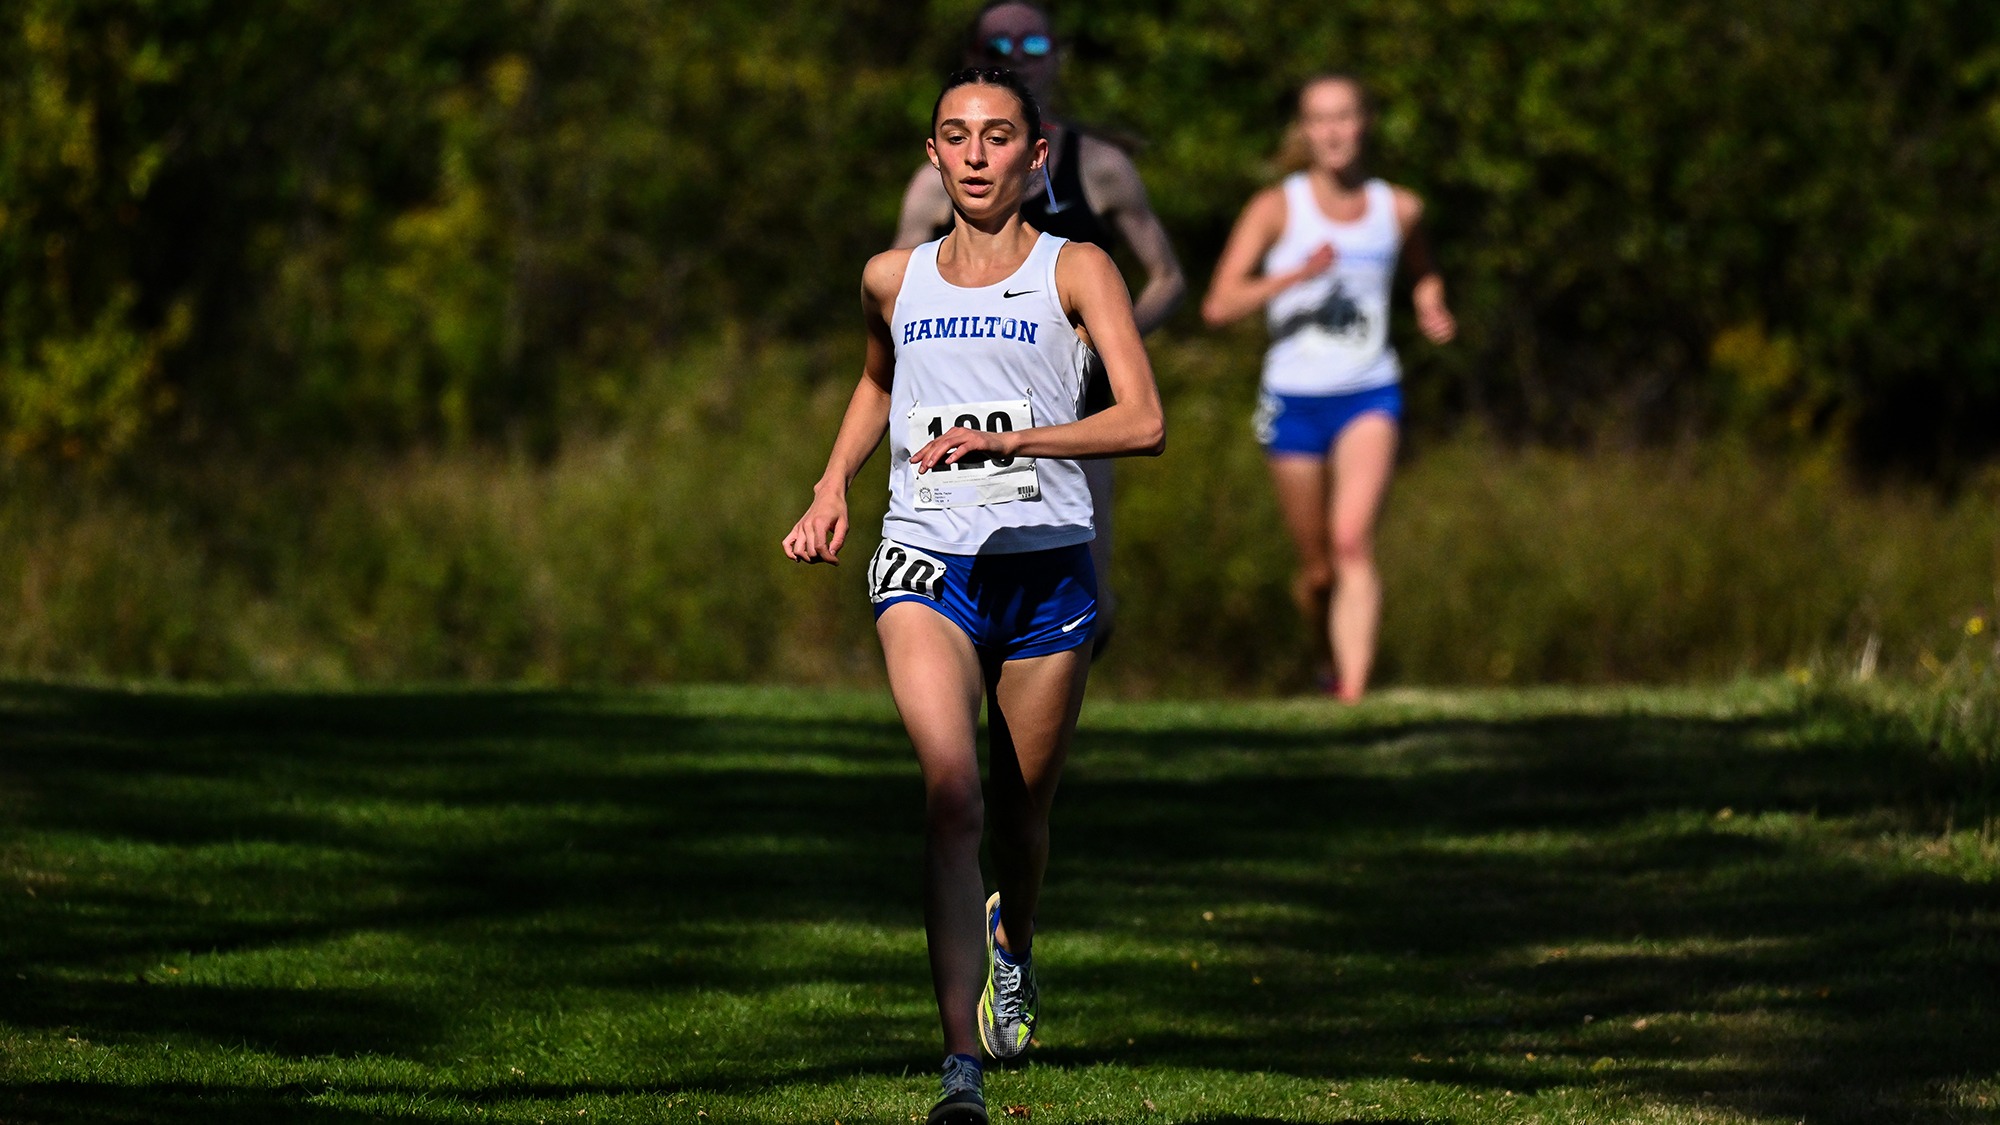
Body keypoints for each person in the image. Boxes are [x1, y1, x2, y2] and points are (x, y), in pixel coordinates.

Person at [784, 68, 1165, 1125]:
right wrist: (831, 487)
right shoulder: (892, 278)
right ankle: (960, 1072)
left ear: (1034, 156)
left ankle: (1017, 946)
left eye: (999, 136)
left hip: (1046, 569)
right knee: (952, 794)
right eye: (958, 136)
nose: (978, 154)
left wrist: (1014, 439)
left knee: (1021, 821)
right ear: (933, 154)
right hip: (926, 563)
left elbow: (1142, 421)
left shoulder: (1076, 270)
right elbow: (876, 381)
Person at [893, 0, 1184, 658]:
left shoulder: (1100, 165)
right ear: (974, 56)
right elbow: (895, 306)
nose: (1016, 58)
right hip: (965, 413)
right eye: (999, 45)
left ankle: (1040, 731)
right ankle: (973, 740)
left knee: (1089, 598)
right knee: (963, 584)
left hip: (1074, 410)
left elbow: (1167, 277)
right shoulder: (934, 182)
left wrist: (1106, 344)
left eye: (1031, 44)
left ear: (1056, 56)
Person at [1201, 74, 1456, 702]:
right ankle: (1327, 656)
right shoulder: (1277, 208)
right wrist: (1292, 276)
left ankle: (1353, 699)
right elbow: (1219, 305)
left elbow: (1422, 271)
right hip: (1293, 399)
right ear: (1304, 130)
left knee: (1351, 542)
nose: (1334, 131)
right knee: (1318, 572)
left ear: (1365, 122)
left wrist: (1431, 305)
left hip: (1370, 390)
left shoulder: (1399, 208)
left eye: (1345, 116)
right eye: (1320, 119)